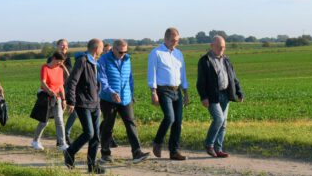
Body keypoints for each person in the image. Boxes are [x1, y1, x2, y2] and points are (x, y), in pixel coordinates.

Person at [98, 39, 149, 164]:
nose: (123, 54)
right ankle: (105, 153)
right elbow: (102, 79)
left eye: (125, 51)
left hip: (125, 98)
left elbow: (130, 78)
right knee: (108, 125)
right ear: (113, 49)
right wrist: (111, 92)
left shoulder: (127, 59)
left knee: (131, 123)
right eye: (121, 52)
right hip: (108, 98)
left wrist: (131, 94)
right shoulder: (104, 60)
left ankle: (137, 152)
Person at [197, 36, 244, 158]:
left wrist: (239, 92)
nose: (221, 49)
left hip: (225, 94)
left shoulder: (226, 60)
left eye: (223, 47)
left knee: (223, 124)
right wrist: (204, 97)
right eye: (219, 47)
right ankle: (209, 144)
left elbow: (233, 78)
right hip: (213, 96)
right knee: (219, 119)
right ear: (212, 46)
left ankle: (218, 149)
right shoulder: (205, 60)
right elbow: (201, 82)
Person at [64, 39, 105, 174]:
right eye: (102, 48)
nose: (102, 50)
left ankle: (92, 166)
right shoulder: (82, 61)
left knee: (96, 136)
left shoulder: (95, 63)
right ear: (96, 48)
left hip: (95, 103)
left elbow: (96, 83)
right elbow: (72, 81)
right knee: (89, 132)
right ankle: (70, 151)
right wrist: (71, 101)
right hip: (82, 103)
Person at [148, 27, 189, 160]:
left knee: (178, 121)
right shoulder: (156, 53)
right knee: (170, 118)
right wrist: (153, 92)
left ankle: (174, 151)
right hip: (163, 90)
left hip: (177, 90)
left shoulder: (179, 54)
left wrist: (186, 91)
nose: (175, 43)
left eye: (177, 40)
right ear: (165, 39)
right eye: (172, 40)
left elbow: (182, 74)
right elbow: (152, 73)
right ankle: (158, 142)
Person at [30, 51, 68, 151]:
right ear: (54, 58)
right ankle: (35, 141)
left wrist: (64, 99)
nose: (61, 64)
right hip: (46, 97)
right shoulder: (45, 67)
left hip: (57, 98)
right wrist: (49, 91)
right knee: (44, 121)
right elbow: (43, 82)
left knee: (59, 119)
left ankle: (62, 144)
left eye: (62, 62)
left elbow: (61, 86)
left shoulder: (60, 69)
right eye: (60, 61)